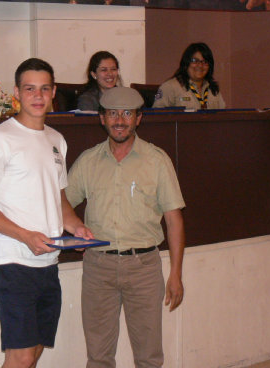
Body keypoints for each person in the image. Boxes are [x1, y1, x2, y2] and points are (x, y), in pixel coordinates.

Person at [0, 58, 92, 368]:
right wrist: (24, 236)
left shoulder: (56, 140)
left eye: (44, 89)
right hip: (13, 260)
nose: (38, 96)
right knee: (21, 357)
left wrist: (77, 227)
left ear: (53, 93)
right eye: (30, 89)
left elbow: (58, 198)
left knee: (34, 351)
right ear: (17, 93)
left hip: (48, 261)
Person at [66, 87, 186, 368]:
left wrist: (176, 274)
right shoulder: (88, 161)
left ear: (138, 119)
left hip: (143, 268)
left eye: (127, 113)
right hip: (98, 268)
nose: (119, 120)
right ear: (102, 119)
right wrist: (76, 229)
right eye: (112, 113)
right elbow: (62, 203)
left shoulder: (157, 161)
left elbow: (174, 221)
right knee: (98, 357)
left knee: (149, 357)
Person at [152, 42, 225, 110]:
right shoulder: (169, 87)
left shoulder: (213, 90)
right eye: (194, 61)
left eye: (204, 62)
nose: (200, 65)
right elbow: (156, 117)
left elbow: (224, 116)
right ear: (186, 63)